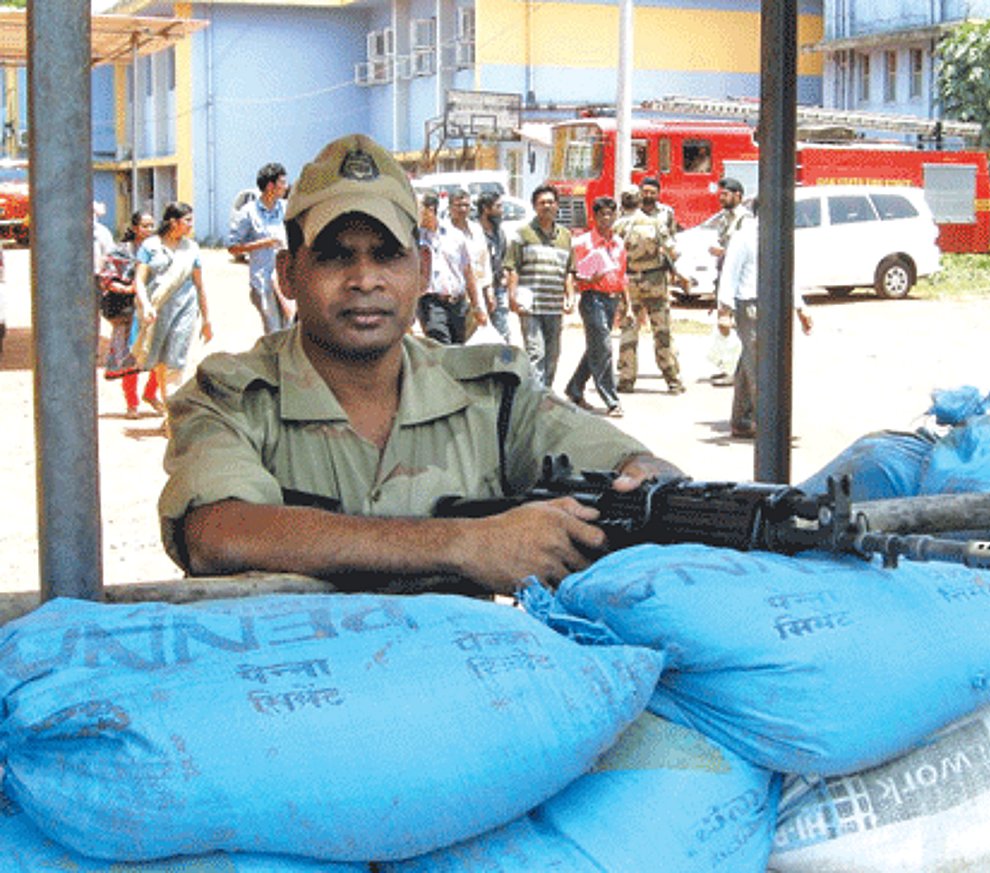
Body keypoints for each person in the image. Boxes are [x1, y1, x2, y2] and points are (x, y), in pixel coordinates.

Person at [158, 133, 681, 596]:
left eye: (387, 255)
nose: (365, 279)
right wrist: (466, 544)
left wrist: (650, 478)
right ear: (288, 274)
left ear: (423, 269)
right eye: (337, 255)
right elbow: (218, 532)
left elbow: (625, 463)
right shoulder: (231, 394)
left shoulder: (493, 393)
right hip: (293, 688)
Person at [716, 208, 813, 440]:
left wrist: (800, 308)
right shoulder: (745, 236)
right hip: (749, 306)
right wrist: (724, 311)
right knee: (762, 367)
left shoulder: (780, 236)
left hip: (774, 306)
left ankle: (741, 420)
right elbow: (730, 272)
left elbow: (787, 273)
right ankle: (770, 426)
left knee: (749, 363)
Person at [133, 201, 212, 416]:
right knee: (159, 362)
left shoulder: (191, 249)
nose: (190, 225)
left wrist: (207, 319)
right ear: (173, 222)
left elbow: (199, 284)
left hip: (184, 311)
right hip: (156, 313)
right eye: (187, 221)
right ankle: (170, 413)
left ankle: (173, 420)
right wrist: (146, 305)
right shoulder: (150, 247)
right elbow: (139, 281)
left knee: (175, 364)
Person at [614, 177, 685, 395]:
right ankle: (672, 379)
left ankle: (626, 380)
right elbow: (674, 251)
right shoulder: (656, 223)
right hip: (655, 281)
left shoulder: (618, 226)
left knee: (629, 331)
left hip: (629, 283)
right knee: (661, 331)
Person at [505, 184, 575, 390]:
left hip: (554, 306)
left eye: (551, 202)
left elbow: (569, 270)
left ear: (557, 206)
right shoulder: (522, 234)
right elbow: (512, 267)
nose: (547, 206)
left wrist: (570, 297)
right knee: (536, 353)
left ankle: (546, 393)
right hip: (530, 306)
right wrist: (512, 296)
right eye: (542, 203)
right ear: (534, 206)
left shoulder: (565, 236)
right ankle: (535, 401)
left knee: (553, 355)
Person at [564, 196, 628, 418]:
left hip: (612, 298)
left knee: (596, 348)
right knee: (604, 347)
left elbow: (622, 274)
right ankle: (611, 399)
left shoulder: (619, 242)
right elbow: (577, 275)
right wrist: (591, 278)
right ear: (595, 216)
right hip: (593, 298)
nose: (607, 219)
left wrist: (625, 301)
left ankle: (574, 388)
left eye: (611, 214)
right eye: (602, 215)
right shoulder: (583, 242)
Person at [98, 209, 160, 417]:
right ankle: (132, 404)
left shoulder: (159, 251)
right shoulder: (121, 251)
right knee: (128, 358)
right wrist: (128, 289)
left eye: (152, 225)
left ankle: (151, 393)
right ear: (134, 228)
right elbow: (106, 277)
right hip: (127, 311)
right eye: (145, 226)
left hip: (153, 311)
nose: (149, 230)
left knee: (160, 355)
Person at [227, 161, 293, 334]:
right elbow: (233, 247)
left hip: (286, 279)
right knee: (273, 331)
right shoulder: (249, 213)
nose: (286, 187)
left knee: (291, 326)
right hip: (263, 282)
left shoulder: (287, 209)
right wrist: (264, 243)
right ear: (271, 186)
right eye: (283, 183)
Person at [417, 191, 483, 344]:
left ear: (431, 209)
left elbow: (467, 271)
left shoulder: (455, 235)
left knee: (457, 350)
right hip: (431, 303)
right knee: (440, 345)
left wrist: (477, 306)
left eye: (418, 208)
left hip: (457, 304)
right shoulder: (414, 238)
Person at [708, 178, 750, 387]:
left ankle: (736, 372)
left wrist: (723, 252)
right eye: (720, 194)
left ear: (738, 196)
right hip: (724, 275)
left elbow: (742, 253)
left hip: (738, 282)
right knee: (724, 325)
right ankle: (727, 366)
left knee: (733, 326)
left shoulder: (744, 220)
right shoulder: (725, 219)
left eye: (726, 194)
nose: (721, 198)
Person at [447, 188, 491, 340]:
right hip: (456, 293)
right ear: (450, 207)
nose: (463, 209)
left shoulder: (476, 230)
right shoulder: (444, 232)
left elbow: (485, 261)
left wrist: (488, 290)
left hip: (477, 290)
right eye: (458, 205)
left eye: (466, 205)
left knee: (479, 332)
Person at [475, 189, 510, 342]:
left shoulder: (499, 233)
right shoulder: (474, 232)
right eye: (498, 207)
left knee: (502, 334)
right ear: (486, 209)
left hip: (498, 289)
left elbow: (504, 258)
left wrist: (505, 276)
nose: (501, 211)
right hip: (478, 291)